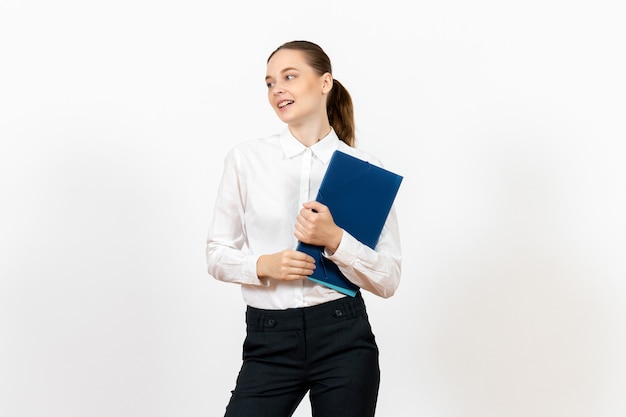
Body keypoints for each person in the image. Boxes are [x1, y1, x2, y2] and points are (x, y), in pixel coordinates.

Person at [205, 40, 402, 417]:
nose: (277, 89)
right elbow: (216, 254)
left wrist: (335, 240)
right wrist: (262, 265)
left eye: (289, 76)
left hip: (343, 337)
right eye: (269, 82)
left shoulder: (365, 170)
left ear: (325, 82)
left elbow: (389, 279)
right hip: (268, 339)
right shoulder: (246, 160)